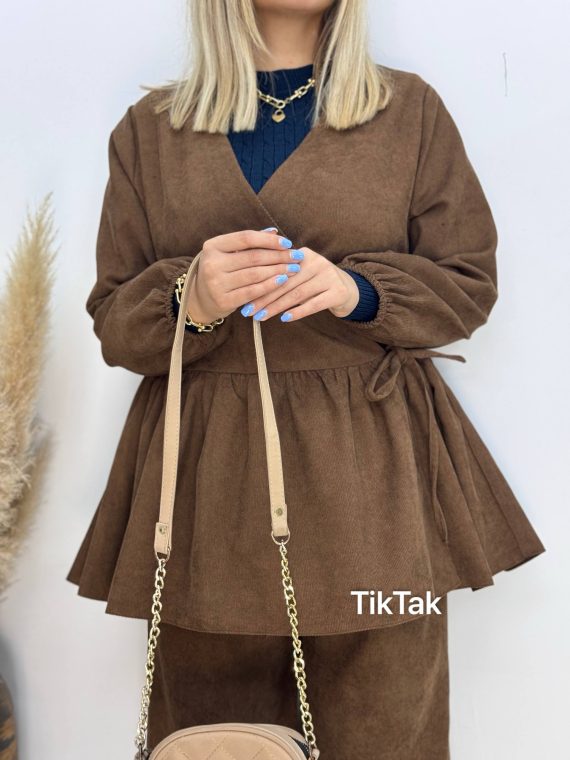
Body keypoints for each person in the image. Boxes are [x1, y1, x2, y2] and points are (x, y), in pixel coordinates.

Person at [66, 1, 546, 757]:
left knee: (391, 726)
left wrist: (357, 291)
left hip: (379, 487)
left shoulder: (408, 110)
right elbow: (114, 322)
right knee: (215, 737)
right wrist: (192, 299)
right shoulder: (149, 132)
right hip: (206, 491)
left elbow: (469, 283)